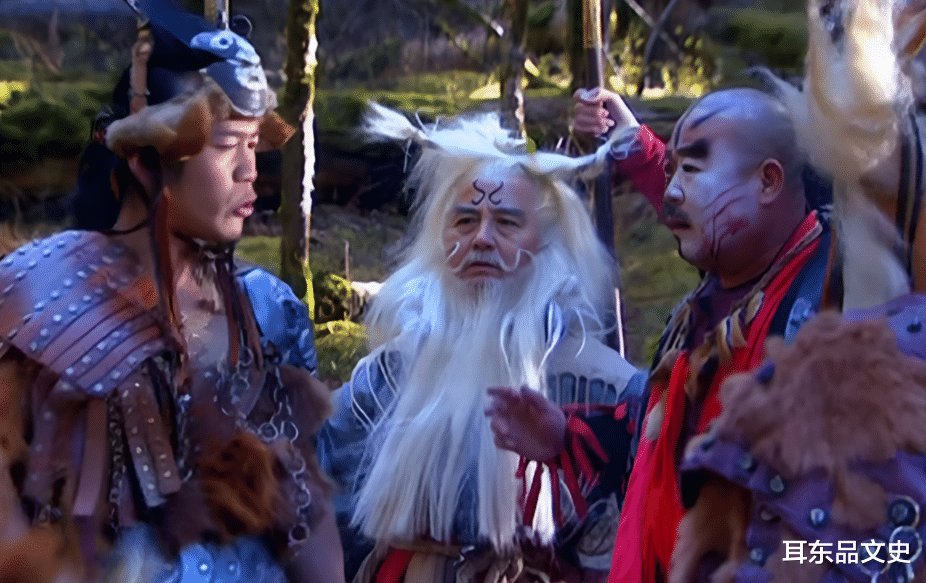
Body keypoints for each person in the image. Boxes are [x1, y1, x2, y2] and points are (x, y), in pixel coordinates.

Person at [0, 2, 343, 582]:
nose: (250, 171)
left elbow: (305, 513)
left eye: (254, 144)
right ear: (144, 160)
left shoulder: (269, 309)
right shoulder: (32, 298)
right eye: (226, 144)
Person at [487, 86, 832, 583]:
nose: (671, 191)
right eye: (671, 171)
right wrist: (566, 435)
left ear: (769, 181)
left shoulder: (840, 306)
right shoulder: (701, 313)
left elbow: (884, 550)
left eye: (691, 170)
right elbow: (668, 443)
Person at [316, 104, 643, 583]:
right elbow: (308, 477)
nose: (482, 239)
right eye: (465, 221)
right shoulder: (388, 374)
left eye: (507, 222)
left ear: (547, 243)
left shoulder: (605, 386)